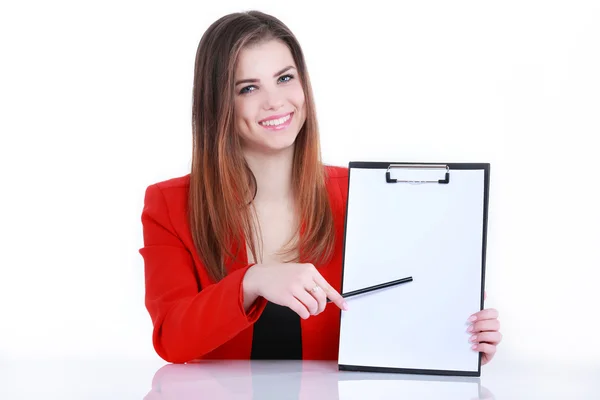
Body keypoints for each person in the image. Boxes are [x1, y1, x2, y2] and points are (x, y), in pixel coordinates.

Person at [139, 10, 502, 365]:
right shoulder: (169, 205)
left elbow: (395, 317)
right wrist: (252, 280)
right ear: (218, 104)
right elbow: (172, 340)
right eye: (248, 87)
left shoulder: (361, 193)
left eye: (284, 78)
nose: (276, 102)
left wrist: (455, 342)